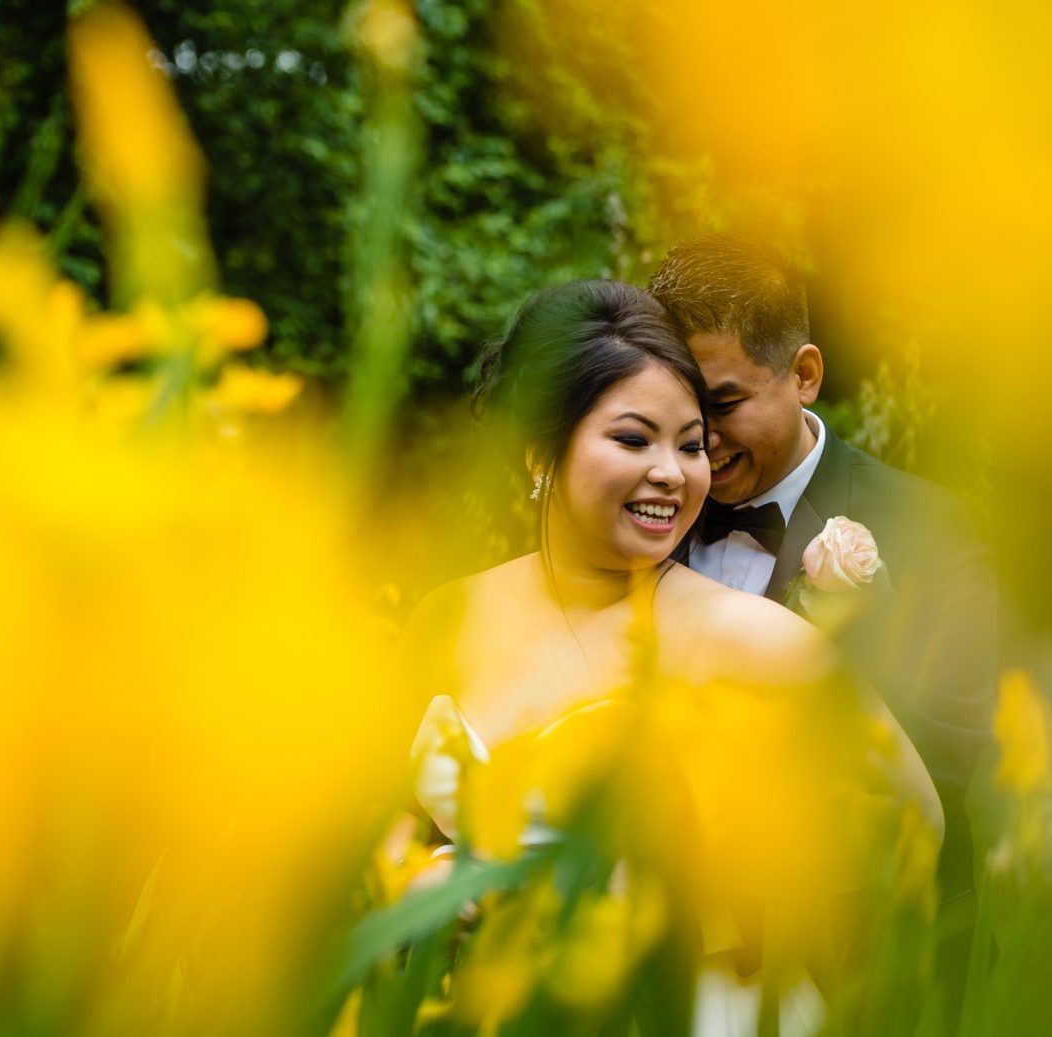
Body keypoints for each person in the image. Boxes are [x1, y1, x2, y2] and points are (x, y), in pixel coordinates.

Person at [396, 279, 942, 1035]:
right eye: (633, 439)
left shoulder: (754, 639)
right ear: (538, 452)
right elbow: (385, 817)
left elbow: (915, 821)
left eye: (691, 445)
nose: (673, 472)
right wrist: (420, 884)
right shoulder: (447, 616)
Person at [648, 235, 998, 904]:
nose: (699, 440)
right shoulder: (641, 518)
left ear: (804, 374)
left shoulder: (933, 533)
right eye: (681, 410)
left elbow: (950, 762)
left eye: (722, 406)